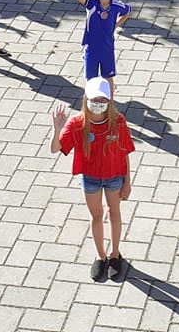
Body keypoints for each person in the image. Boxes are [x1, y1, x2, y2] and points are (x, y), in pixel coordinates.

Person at [50, 77, 134, 282]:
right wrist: (57, 129)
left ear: (109, 101)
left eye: (102, 100)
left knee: (114, 212)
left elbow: (125, 152)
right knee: (96, 216)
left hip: (114, 177)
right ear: (85, 99)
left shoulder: (118, 121)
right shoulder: (77, 124)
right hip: (90, 179)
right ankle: (100, 256)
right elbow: (55, 149)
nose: (98, 104)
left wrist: (127, 181)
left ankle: (115, 254)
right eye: (94, 99)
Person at [68, 0, 130, 98]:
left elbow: (128, 12)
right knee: (91, 78)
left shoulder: (117, 5)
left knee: (108, 76)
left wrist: (116, 24)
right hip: (91, 47)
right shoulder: (92, 2)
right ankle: (91, 100)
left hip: (107, 47)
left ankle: (110, 100)